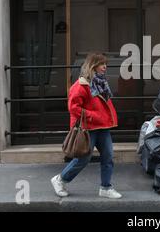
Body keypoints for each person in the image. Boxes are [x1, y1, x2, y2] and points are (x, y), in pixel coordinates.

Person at [51, 52, 122, 199]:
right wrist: (93, 116)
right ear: (93, 66)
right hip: (87, 128)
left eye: (105, 64)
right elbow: (73, 108)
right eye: (102, 64)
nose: (105, 67)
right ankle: (60, 179)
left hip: (102, 126)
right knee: (83, 159)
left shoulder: (101, 83)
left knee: (108, 156)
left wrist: (106, 118)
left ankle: (105, 187)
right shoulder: (81, 85)